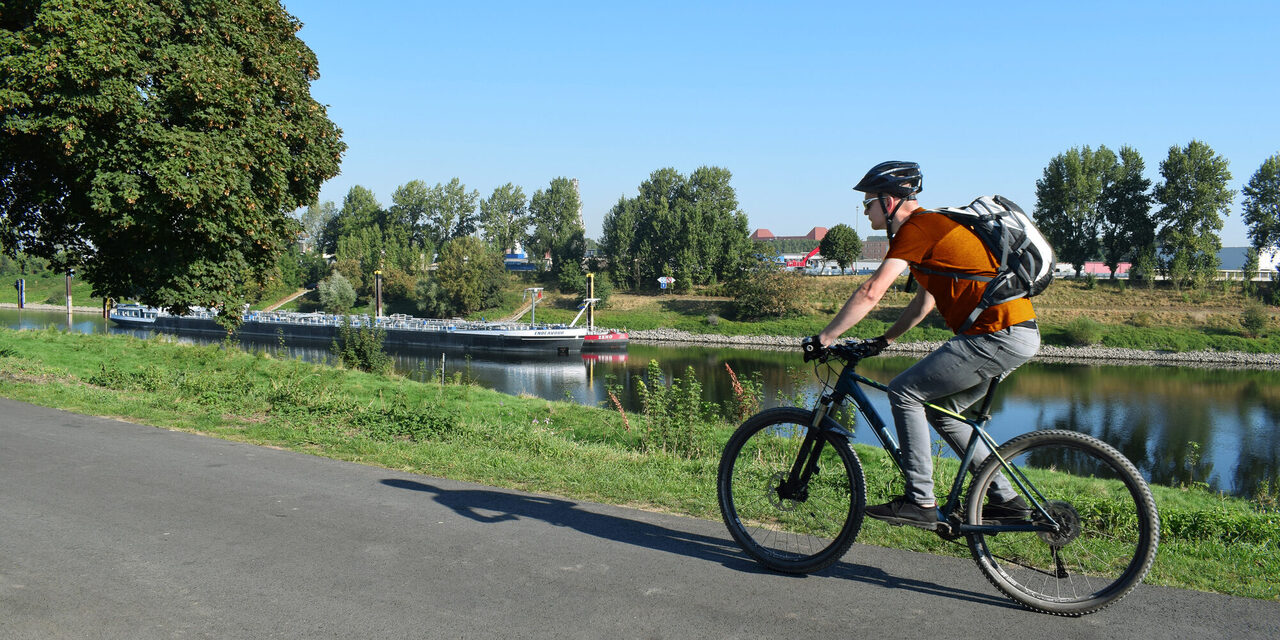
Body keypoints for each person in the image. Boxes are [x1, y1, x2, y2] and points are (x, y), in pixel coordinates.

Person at [812, 160, 1040, 529]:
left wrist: (825, 337)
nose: (866, 211)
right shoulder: (932, 229)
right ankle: (1005, 500)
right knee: (943, 411)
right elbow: (924, 304)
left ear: (888, 202)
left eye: (868, 203)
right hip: (1013, 333)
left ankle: (920, 500)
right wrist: (884, 340)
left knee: (904, 392)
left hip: (996, 333)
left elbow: (871, 291)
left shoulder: (917, 228)